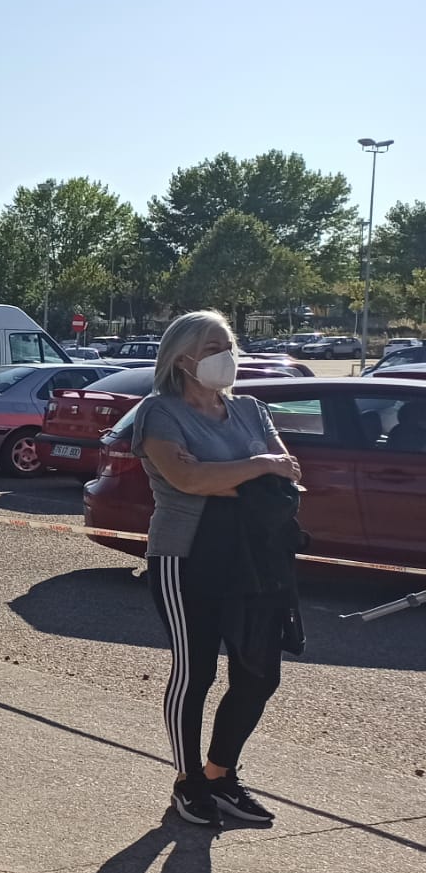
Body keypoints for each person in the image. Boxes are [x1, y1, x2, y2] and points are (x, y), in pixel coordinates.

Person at [132, 309, 300, 828]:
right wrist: (256, 470)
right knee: (196, 669)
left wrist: (233, 478)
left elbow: (288, 478)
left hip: (255, 558)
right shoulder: (159, 413)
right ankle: (189, 782)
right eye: (211, 348)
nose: (225, 356)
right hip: (187, 555)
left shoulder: (250, 409)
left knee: (258, 673)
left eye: (228, 344)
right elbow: (186, 480)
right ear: (181, 358)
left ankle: (220, 774)